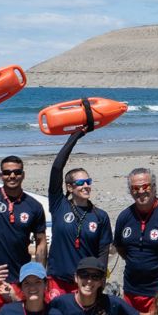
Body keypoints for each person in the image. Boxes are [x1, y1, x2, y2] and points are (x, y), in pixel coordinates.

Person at [0, 114, 47, 313]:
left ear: (23, 174)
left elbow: (41, 243)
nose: (12, 175)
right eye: (7, 172)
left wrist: (40, 275)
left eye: (17, 172)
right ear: (1, 175)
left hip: (19, 279)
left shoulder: (34, 206)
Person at [46, 128, 114, 300]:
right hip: (58, 280)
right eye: (81, 182)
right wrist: (75, 137)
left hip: (86, 283)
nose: (86, 186)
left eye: (88, 181)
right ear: (69, 187)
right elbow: (56, 168)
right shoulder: (59, 205)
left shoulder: (100, 216)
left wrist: (101, 280)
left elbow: (103, 252)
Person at [112, 167, 158, 314]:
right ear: (130, 191)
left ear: (154, 187)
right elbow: (121, 248)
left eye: (145, 186)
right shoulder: (124, 217)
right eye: (135, 188)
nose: (141, 191)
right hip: (131, 290)